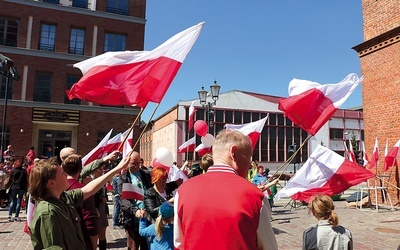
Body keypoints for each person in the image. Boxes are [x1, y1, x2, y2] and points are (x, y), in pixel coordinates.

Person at [174, 130, 278, 250]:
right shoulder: (255, 197)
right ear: (233, 153)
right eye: (248, 157)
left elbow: (179, 244)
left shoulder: (183, 191)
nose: (250, 165)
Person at [28, 155, 130, 250]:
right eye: (62, 174)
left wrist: (118, 168)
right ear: (51, 183)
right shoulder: (48, 213)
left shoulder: (63, 198)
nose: (66, 175)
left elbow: (88, 189)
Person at [62, 153, 100, 250]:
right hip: (80, 239)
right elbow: (90, 220)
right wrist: (93, 245)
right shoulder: (84, 190)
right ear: (80, 170)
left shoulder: (56, 188)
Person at [118, 151, 152, 250]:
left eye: (139, 163)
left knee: (146, 246)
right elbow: (123, 200)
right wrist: (135, 210)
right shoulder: (124, 178)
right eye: (134, 163)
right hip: (132, 220)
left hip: (147, 218)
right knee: (133, 247)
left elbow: (151, 192)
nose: (137, 166)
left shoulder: (145, 175)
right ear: (127, 162)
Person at [92, 164, 109, 250]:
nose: (101, 171)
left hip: (101, 207)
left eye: (102, 169)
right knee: (93, 235)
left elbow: (104, 192)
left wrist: (104, 197)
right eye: (99, 169)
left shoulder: (102, 180)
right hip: (92, 208)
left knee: (102, 233)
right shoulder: (89, 180)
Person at [8, 157, 28, 222]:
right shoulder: (24, 171)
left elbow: (10, 179)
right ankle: (16, 216)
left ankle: (10, 215)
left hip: (14, 187)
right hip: (21, 188)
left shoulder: (13, 171)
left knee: (13, 201)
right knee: (19, 202)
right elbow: (26, 180)